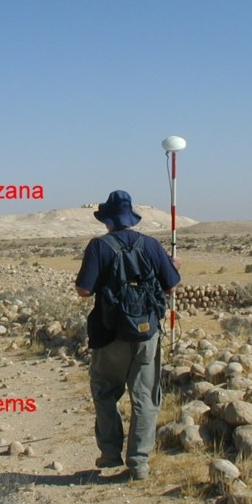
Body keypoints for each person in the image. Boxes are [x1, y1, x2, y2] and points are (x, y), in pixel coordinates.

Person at [75, 190, 181, 480]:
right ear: (131, 218)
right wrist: (171, 267)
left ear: (108, 219)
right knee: (145, 397)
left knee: (105, 393)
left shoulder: (99, 247)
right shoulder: (151, 245)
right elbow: (171, 287)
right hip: (147, 334)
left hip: (108, 335)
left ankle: (110, 454)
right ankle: (139, 463)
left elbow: (84, 290)